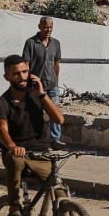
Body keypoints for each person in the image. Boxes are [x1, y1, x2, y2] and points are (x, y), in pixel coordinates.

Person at [0, 55, 64, 216]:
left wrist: (42, 94)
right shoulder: (3, 103)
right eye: (16, 74)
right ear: (7, 77)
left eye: (24, 72)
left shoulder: (36, 96)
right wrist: (12, 146)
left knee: (61, 194)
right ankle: (13, 207)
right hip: (16, 152)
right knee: (15, 161)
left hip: (41, 154)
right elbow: (2, 130)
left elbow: (59, 119)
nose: (22, 77)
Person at [21, 17, 64, 148]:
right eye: (46, 27)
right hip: (35, 86)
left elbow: (56, 64)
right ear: (39, 26)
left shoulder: (55, 43)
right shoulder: (31, 43)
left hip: (52, 85)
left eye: (51, 27)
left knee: (54, 111)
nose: (48, 30)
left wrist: (56, 82)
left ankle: (55, 139)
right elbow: (26, 64)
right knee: (34, 113)